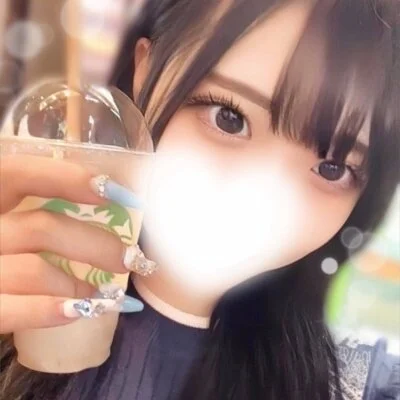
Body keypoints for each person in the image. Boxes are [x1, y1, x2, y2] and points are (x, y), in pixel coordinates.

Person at [1, 0, 399, 399]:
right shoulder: (21, 275)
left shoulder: (351, 384)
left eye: (332, 168)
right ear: (146, 68)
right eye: (229, 117)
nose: (258, 203)